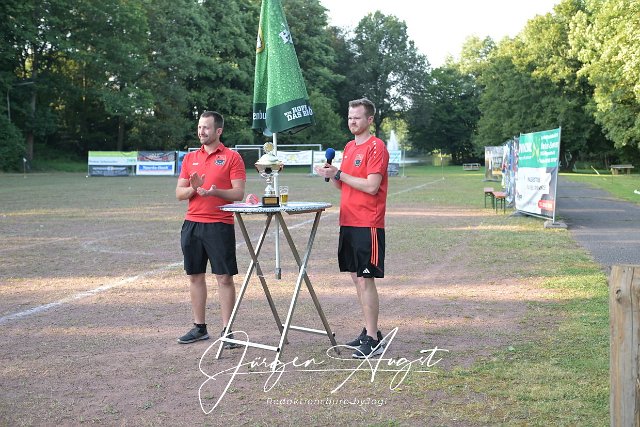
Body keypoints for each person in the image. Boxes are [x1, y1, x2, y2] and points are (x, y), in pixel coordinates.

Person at [314, 98, 389, 358]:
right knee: (357, 279)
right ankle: (370, 331)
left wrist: (339, 173)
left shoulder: (376, 146)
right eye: (349, 117)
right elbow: (343, 184)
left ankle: (373, 340)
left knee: (366, 280)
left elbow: (371, 186)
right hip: (347, 220)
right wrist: (330, 174)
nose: (352, 122)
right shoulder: (348, 147)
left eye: (357, 117)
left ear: (369, 120)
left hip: (368, 223)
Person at [176, 111, 246, 347]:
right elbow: (179, 193)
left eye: (206, 127)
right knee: (195, 276)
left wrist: (215, 191)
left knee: (224, 278)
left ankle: (228, 331)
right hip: (192, 224)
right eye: (199, 127)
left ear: (218, 131)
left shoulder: (232, 157)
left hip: (219, 224)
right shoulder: (190, 158)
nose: (201, 131)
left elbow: (238, 193)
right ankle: (200, 327)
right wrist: (195, 188)